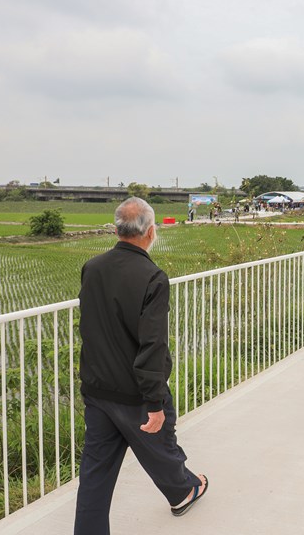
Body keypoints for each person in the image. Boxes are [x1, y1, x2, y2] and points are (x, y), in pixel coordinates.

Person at [75, 197, 207, 534]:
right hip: (134, 392)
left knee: (95, 474)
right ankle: (184, 490)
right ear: (150, 232)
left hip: (97, 389)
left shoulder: (92, 267)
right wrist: (154, 402)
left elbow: (90, 327)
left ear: (116, 229)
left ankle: (182, 490)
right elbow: (152, 345)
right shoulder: (152, 276)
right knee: (161, 441)